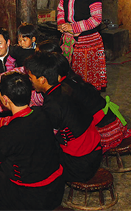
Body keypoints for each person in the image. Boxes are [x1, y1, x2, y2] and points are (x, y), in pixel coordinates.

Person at [0, 73, 64, 211]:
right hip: (56, 188)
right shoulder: (40, 113)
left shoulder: (10, 133)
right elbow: (8, 121)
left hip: (31, 198)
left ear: (5, 99)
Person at [25, 52, 102, 182]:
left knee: (33, 150)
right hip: (95, 153)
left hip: (79, 166)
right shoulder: (65, 87)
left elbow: (45, 135)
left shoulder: (53, 105)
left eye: (31, 78)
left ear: (42, 79)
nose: (30, 81)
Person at [58, 0, 107, 90]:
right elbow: (61, 9)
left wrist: (73, 27)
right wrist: (62, 24)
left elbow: (96, 18)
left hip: (88, 41)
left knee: (87, 79)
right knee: (71, 76)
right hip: (69, 41)